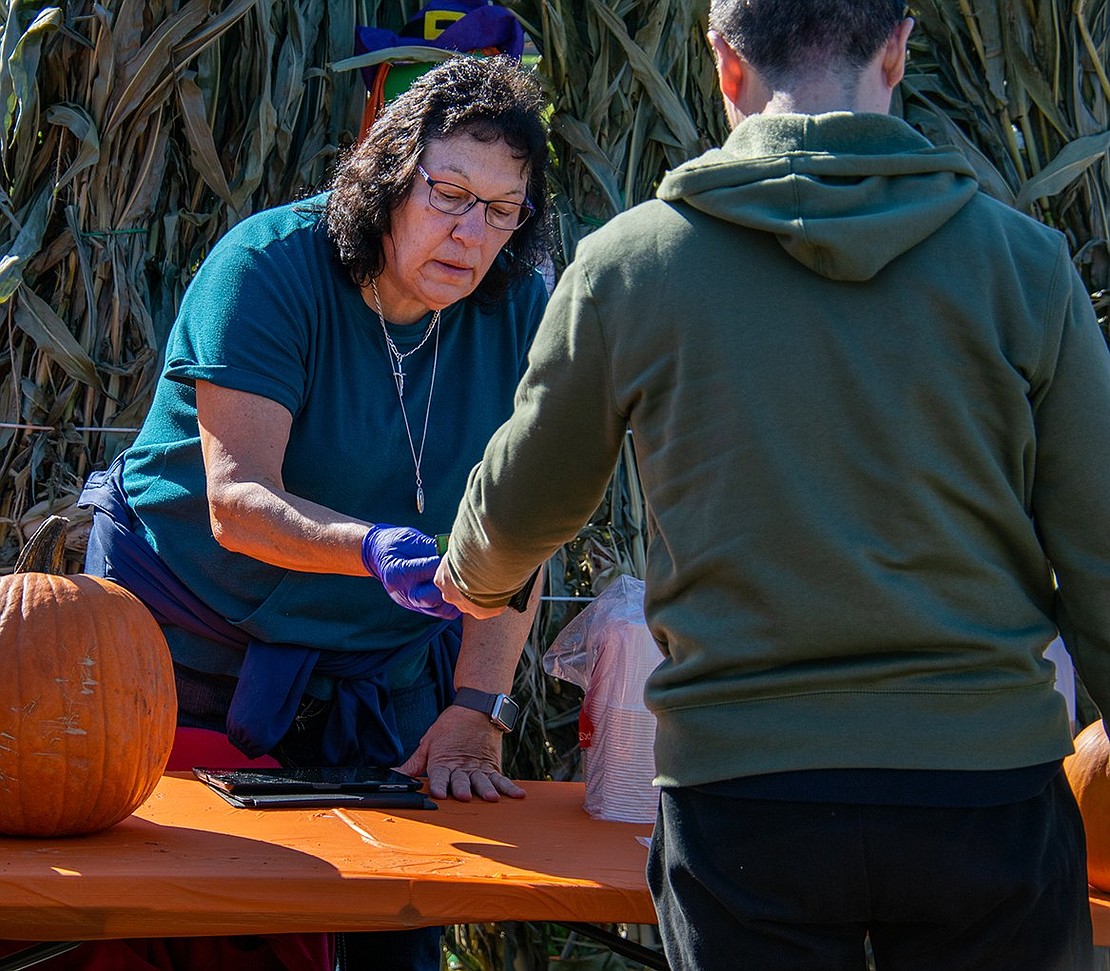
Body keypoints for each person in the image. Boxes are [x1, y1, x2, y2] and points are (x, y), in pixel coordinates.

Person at [433, 2, 1110, 969]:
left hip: (743, 799)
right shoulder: (1022, 266)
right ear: (898, 49)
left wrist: (474, 573)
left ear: (721, 64)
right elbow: (1101, 547)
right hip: (984, 793)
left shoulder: (631, 267)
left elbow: (529, 502)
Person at [78, 54, 547, 971]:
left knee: (397, 913)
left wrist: (475, 704)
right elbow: (237, 500)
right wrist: (373, 547)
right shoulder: (269, 266)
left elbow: (522, 530)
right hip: (185, 641)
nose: (469, 231)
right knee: (172, 922)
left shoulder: (522, 314)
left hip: (378, 666)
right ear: (387, 176)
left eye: (501, 210)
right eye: (447, 192)